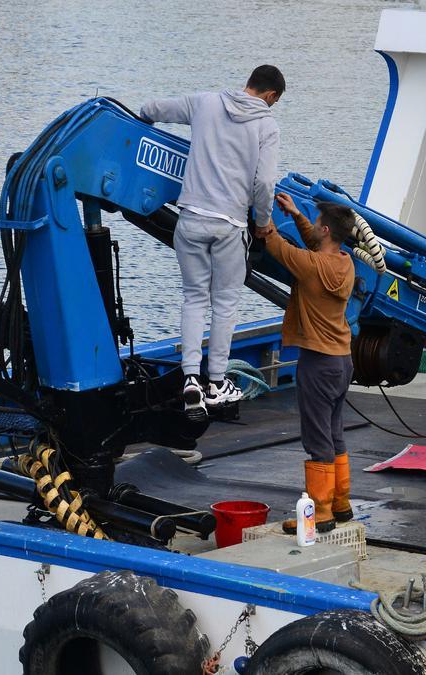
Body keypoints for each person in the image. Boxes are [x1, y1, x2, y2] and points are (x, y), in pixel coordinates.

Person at [140, 65, 284, 420]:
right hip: (229, 225)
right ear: (271, 96)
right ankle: (217, 382)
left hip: (189, 220)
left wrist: (144, 117)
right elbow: (265, 183)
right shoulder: (267, 125)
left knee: (193, 298)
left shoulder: (205, 103)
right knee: (225, 303)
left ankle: (190, 378)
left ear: (248, 83)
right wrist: (263, 223)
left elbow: (154, 108)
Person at [257, 192, 357, 534]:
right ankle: (341, 502)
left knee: (317, 440)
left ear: (326, 229)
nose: (313, 228)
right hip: (343, 361)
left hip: (317, 363)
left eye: (316, 224)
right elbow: (316, 243)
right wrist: (297, 215)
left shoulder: (310, 265)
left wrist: (263, 217)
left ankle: (322, 513)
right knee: (334, 433)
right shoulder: (345, 263)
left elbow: (277, 248)